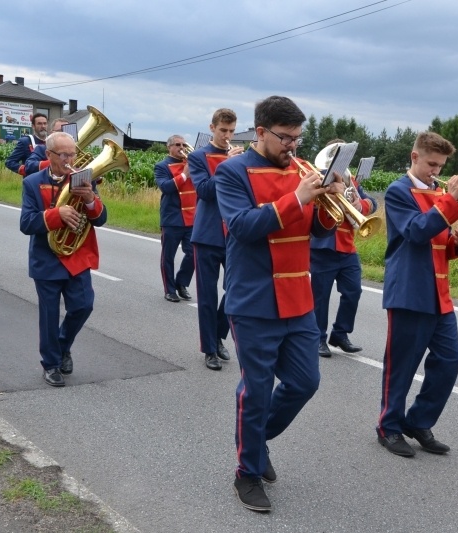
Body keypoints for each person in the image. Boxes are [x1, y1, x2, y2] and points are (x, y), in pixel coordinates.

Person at [216, 95, 341, 512]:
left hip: (298, 297)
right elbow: (242, 227)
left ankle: (253, 440)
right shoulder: (232, 171)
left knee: (306, 383)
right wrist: (298, 199)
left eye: (297, 138)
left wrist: (333, 207)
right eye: (285, 138)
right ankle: (247, 473)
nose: (293, 146)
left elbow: (319, 232)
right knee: (256, 390)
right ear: (262, 132)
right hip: (253, 300)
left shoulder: (305, 170)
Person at [376, 131, 458, 458]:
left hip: (439, 291)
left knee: (449, 359)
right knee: (401, 365)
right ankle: (388, 427)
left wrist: (456, 240)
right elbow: (416, 232)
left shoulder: (438, 194)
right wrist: (450, 204)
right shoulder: (398, 191)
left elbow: (437, 241)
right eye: (431, 163)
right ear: (414, 157)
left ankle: (418, 420)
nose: (437, 172)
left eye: (441, 166)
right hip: (409, 290)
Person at [20, 132, 107, 387]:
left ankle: (62, 345)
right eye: (64, 154)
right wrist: (57, 214)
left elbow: (100, 220)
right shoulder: (32, 182)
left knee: (83, 306)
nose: (70, 159)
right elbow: (26, 223)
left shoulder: (83, 178)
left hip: (77, 256)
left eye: (73, 154)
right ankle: (51, 364)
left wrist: (91, 199)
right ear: (49, 155)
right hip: (46, 258)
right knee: (49, 315)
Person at [188, 108, 243, 370]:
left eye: (232, 131)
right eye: (223, 130)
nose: (227, 136)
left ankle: (219, 335)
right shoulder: (198, 156)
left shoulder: (240, 157)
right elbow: (204, 191)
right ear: (212, 128)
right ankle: (209, 348)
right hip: (208, 234)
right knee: (207, 295)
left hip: (234, 234)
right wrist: (227, 164)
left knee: (234, 291)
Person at [311, 139, 378, 357]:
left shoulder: (350, 179)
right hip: (323, 246)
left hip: (347, 247)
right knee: (320, 297)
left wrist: (360, 206)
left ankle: (340, 333)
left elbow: (372, 203)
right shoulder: (319, 177)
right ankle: (318, 338)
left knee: (353, 292)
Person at [155, 135, 196, 302]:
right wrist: (184, 175)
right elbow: (165, 187)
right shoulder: (162, 166)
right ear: (169, 147)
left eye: (183, 144)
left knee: (194, 254)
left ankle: (181, 283)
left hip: (192, 218)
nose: (182, 148)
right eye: (177, 145)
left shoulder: (191, 164)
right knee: (168, 256)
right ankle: (169, 289)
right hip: (172, 218)